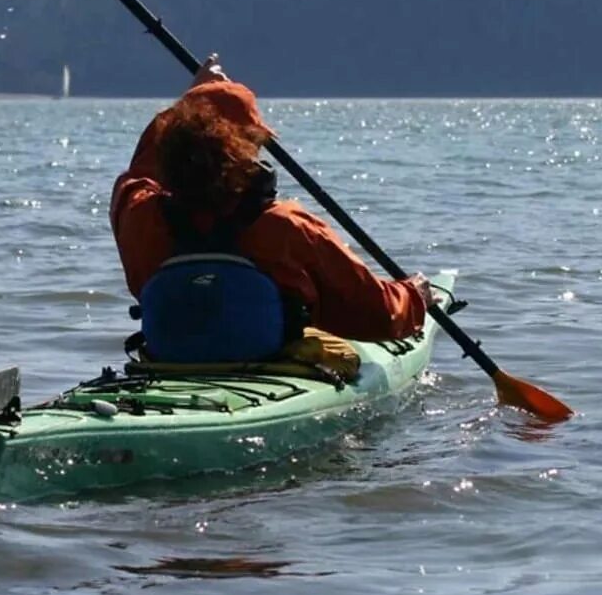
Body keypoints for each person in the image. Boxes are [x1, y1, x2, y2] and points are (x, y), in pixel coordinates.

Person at [111, 54, 431, 364]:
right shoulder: (288, 227)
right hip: (266, 363)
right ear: (242, 148)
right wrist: (415, 297)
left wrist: (191, 105)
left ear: (172, 144)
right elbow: (378, 315)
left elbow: (138, 174)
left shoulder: (140, 218)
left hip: (169, 361)